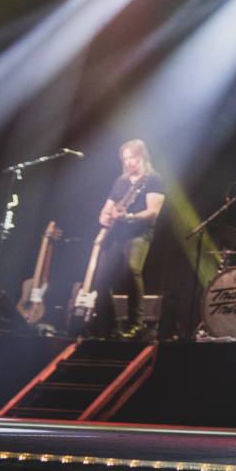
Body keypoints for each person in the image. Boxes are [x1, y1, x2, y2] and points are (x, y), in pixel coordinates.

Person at [96, 139, 164, 339]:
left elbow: (153, 212)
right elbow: (106, 209)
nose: (129, 162)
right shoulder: (121, 181)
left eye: (132, 157)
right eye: (125, 159)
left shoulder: (153, 180)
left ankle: (136, 324)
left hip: (139, 234)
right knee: (100, 283)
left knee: (131, 271)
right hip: (116, 234)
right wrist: (105, 216)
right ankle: (114, 327)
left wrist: (131, 217)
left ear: (142, 156)